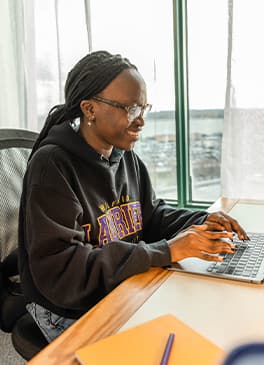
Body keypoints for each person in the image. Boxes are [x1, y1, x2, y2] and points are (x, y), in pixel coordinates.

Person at [18, 50, 247, 342]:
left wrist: (202, 220)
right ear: (89, 109)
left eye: (144, 108)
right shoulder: (52, 166)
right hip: (68, 305)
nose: (141, 121)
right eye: (131, 109)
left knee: (205, 326)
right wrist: (166, 251)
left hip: (118, 285)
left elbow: (152, 218)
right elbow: (64, 273)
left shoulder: (126, 157)